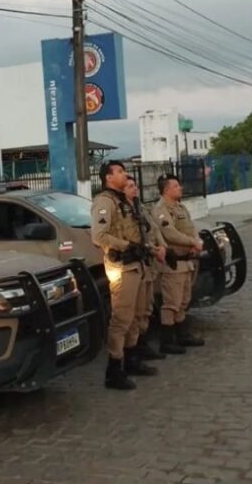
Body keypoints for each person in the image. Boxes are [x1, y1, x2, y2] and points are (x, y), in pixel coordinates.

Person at [91, 161, 158, 390]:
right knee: (121, 320)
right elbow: (99, 236)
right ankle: (114, 368)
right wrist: (125, 246)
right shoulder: (104, 202)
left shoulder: (124, 202)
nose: (124, 174)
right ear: (108, 178)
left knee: (137, 316)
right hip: (122, 267)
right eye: (119, 172)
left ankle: (132, 359)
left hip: (136, 264)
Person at [152, 174, 206, 355]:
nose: (180, 188)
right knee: (171, 303)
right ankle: (166, 340)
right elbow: (170, 234)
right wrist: (192, 242)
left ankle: (182, 335)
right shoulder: (161, 209)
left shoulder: (180, 207)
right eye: (176, 186)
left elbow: (190, 227)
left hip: (186, 262)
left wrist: (195, 242)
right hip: (172, 263)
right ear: (166, 189)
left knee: (183, 300)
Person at [122, 175, 167, 361]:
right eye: (131, 186)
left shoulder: (139, 207)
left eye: (135, 186)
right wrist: (154, 249)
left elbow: (154, 229)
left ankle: (142, 343)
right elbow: (132, 240)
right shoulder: (122, 211)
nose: (135, 189)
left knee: (146, 308)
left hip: (147, 262)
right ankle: (132, 351)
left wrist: (162, 246)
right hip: (135, 262)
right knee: (134, 312)